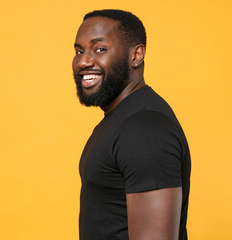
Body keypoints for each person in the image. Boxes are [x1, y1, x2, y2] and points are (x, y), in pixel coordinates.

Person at [72, 9, 191, 240]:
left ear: (136, 55)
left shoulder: (145, 129)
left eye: (99, 49)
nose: (83, 61)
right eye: (79, 51)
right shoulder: (123, 120)